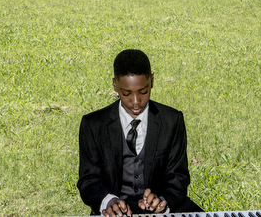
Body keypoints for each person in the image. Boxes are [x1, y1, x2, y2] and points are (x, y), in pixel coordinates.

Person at [77, 49, 203, 216]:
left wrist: (163, 201)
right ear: (115, 85)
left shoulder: (171, 120)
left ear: (152, 80)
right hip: (115, 212)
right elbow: (88, 180)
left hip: (162, 209)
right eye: (126, 93)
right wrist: (108, 201)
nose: (135, 102)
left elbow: (178, 177)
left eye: (143, 92)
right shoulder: (93, 125)